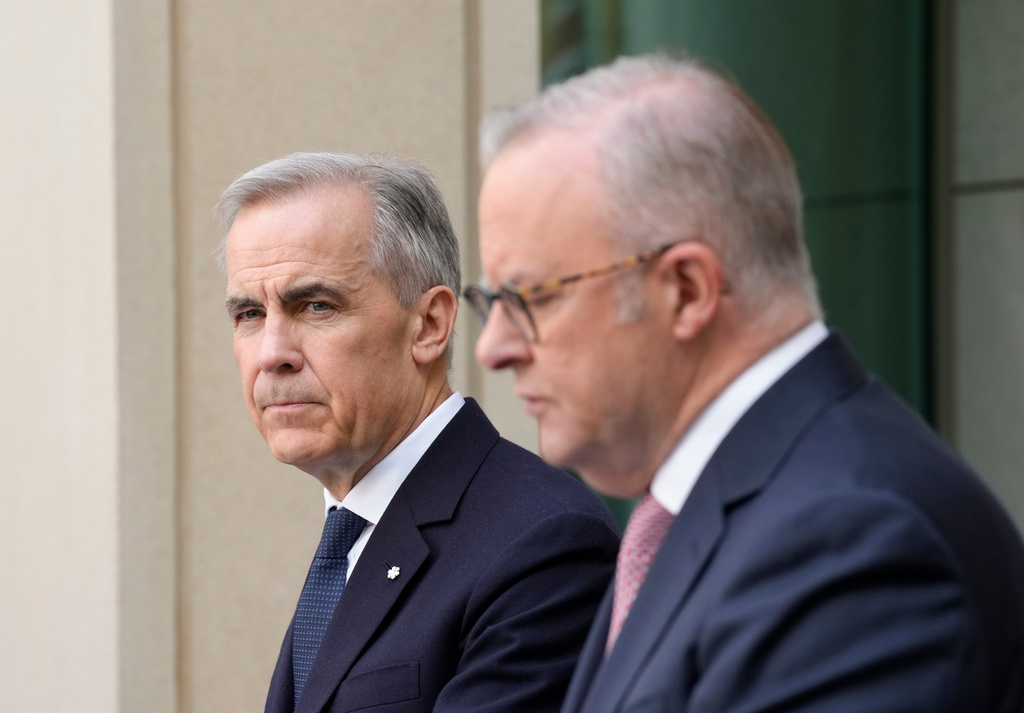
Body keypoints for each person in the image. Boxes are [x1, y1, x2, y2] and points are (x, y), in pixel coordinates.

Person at [468, 54, 1024, 713]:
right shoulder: (734, 507)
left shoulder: (848, 539)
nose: (493, 346)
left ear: (686, 290)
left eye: (530, 296)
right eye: (492, 300)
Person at [215, 152, 619, 713]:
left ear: (429, 325)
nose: (272, 354)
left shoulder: (543, 542)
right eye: (249, 315)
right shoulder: (352, 529)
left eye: (315, 306)